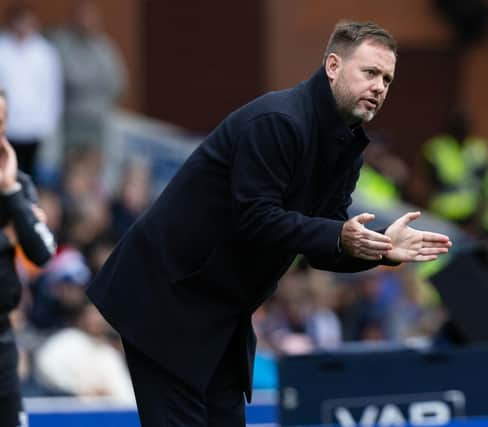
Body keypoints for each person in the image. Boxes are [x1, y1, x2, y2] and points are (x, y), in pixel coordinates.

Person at [87, 21, 452, 427]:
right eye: (369, 72)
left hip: (218, 313)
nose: (380, 87)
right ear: (333, 66)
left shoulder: (346, 144)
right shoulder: (278, 121)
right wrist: (338, 235)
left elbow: (325, 243)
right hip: (165, 300)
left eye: (387, 79)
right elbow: (256, 218)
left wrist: (382, 247)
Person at [0, 89, 56, 426]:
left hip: (3, 337)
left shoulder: (17, 185)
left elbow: (43, 252)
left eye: (2, 122)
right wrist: (7, 237)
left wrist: (10, 193)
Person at [49, 0, 128, 151]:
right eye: (84, 16)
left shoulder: (104, 45)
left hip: (101, 119)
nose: (88, 21)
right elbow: (71, 78)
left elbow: (119, 82)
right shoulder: (61, 43)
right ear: (73, 18)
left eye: (92, 16)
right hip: (71, 119)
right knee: (74, 167)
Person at [0, 3, 63, 176]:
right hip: (8, 127)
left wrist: (50, 124)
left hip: (36, 128)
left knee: (31, 176)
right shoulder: (2, 48)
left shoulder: (46, 52)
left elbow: (53, 91)